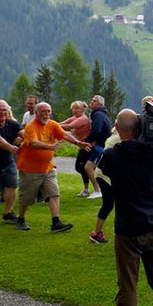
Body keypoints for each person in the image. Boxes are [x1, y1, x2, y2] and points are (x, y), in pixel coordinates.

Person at [98, 109, 153, 306]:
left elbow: (104, 170)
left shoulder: (111, 155)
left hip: (128, 226)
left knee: (128, 283)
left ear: (118, 128)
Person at [15, 102, 87, 232]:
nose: (46, 114)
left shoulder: (52, 124)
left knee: (54, 193)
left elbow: (64, 134)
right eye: (43, 111)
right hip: (30, 169)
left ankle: (56, 222)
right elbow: (33, 143)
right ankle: (21, 219)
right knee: (27, 198)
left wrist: (77, 143)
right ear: (36, 113)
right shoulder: (31, 127)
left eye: (48, 111)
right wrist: (50, 146)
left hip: (48, 168)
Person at [88, 127, 120, 244]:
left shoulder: (114, 136)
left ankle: (97, 232)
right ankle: (96, 233)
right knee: (109, 204)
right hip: (107, 175)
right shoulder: (120, 138)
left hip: (102, 173)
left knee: (108, 204)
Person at [60, 101, 92, 197]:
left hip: (87, 146)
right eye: (73, 108)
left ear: (82, 109)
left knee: (82, 167)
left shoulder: (83, 119)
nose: (74, 110)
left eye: (77, 108)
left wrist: (50, 125)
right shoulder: (74, 118)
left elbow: (69, 126)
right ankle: (87, 188)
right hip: (82, 146)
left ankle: (91, 187)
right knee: (81, 167)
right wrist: (50, 123)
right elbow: (63, 123)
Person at [84, 95, 112, 199]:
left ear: (100, 104)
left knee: (88, 167)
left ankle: (97, 190)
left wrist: (86, 141)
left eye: (94, 101)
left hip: (101, 145)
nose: (92, 102)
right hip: (101, 144)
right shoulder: (98, 113)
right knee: (95, 168)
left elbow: (97, 130)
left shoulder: (98, 114)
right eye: (92, 100)